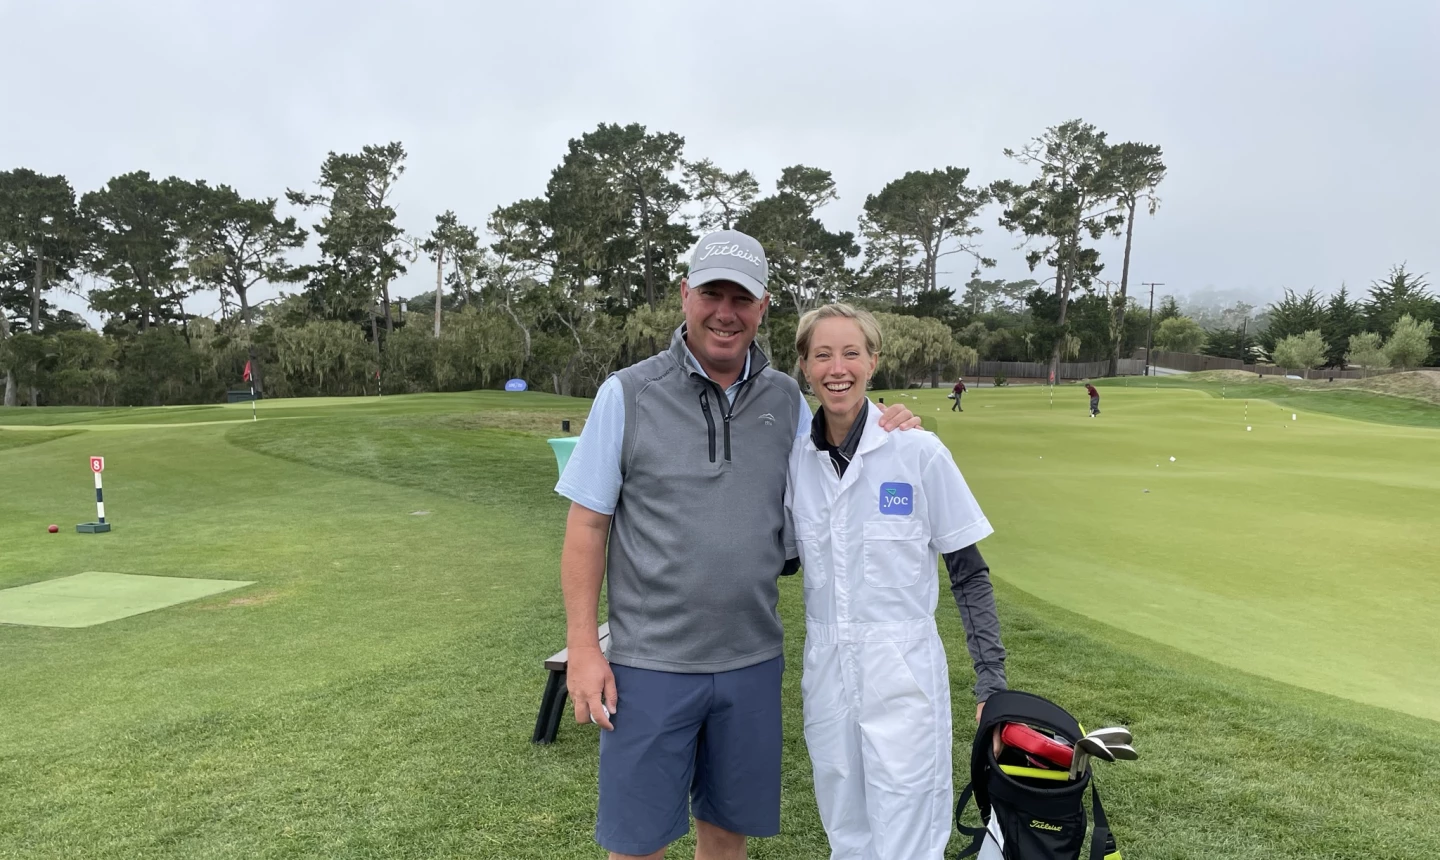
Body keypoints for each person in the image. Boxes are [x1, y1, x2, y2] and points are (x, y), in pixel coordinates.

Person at [554, 230, 919, 860]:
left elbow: (842, 458)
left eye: (741, 297)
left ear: (763, 306)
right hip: (649, 664)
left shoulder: (784, 396)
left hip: (751, 661)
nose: (725, 311)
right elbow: (588, 524)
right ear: (685, 295)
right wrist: (585, 648)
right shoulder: (627, 393)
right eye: (711, 292)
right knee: (636, 844)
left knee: (726, 837)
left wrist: (891, 426)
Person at [786, 303, 1007, 860]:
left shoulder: (917, 451)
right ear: (805, 367)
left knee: (909, 829)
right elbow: (774, 558)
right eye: (822, 355)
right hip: (827, 666)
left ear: (873, 361)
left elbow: (969, 573)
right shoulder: (795, 463)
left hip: (902, 670)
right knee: (846, 828)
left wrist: (991, 681)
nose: (838, 367)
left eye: (851, 353)